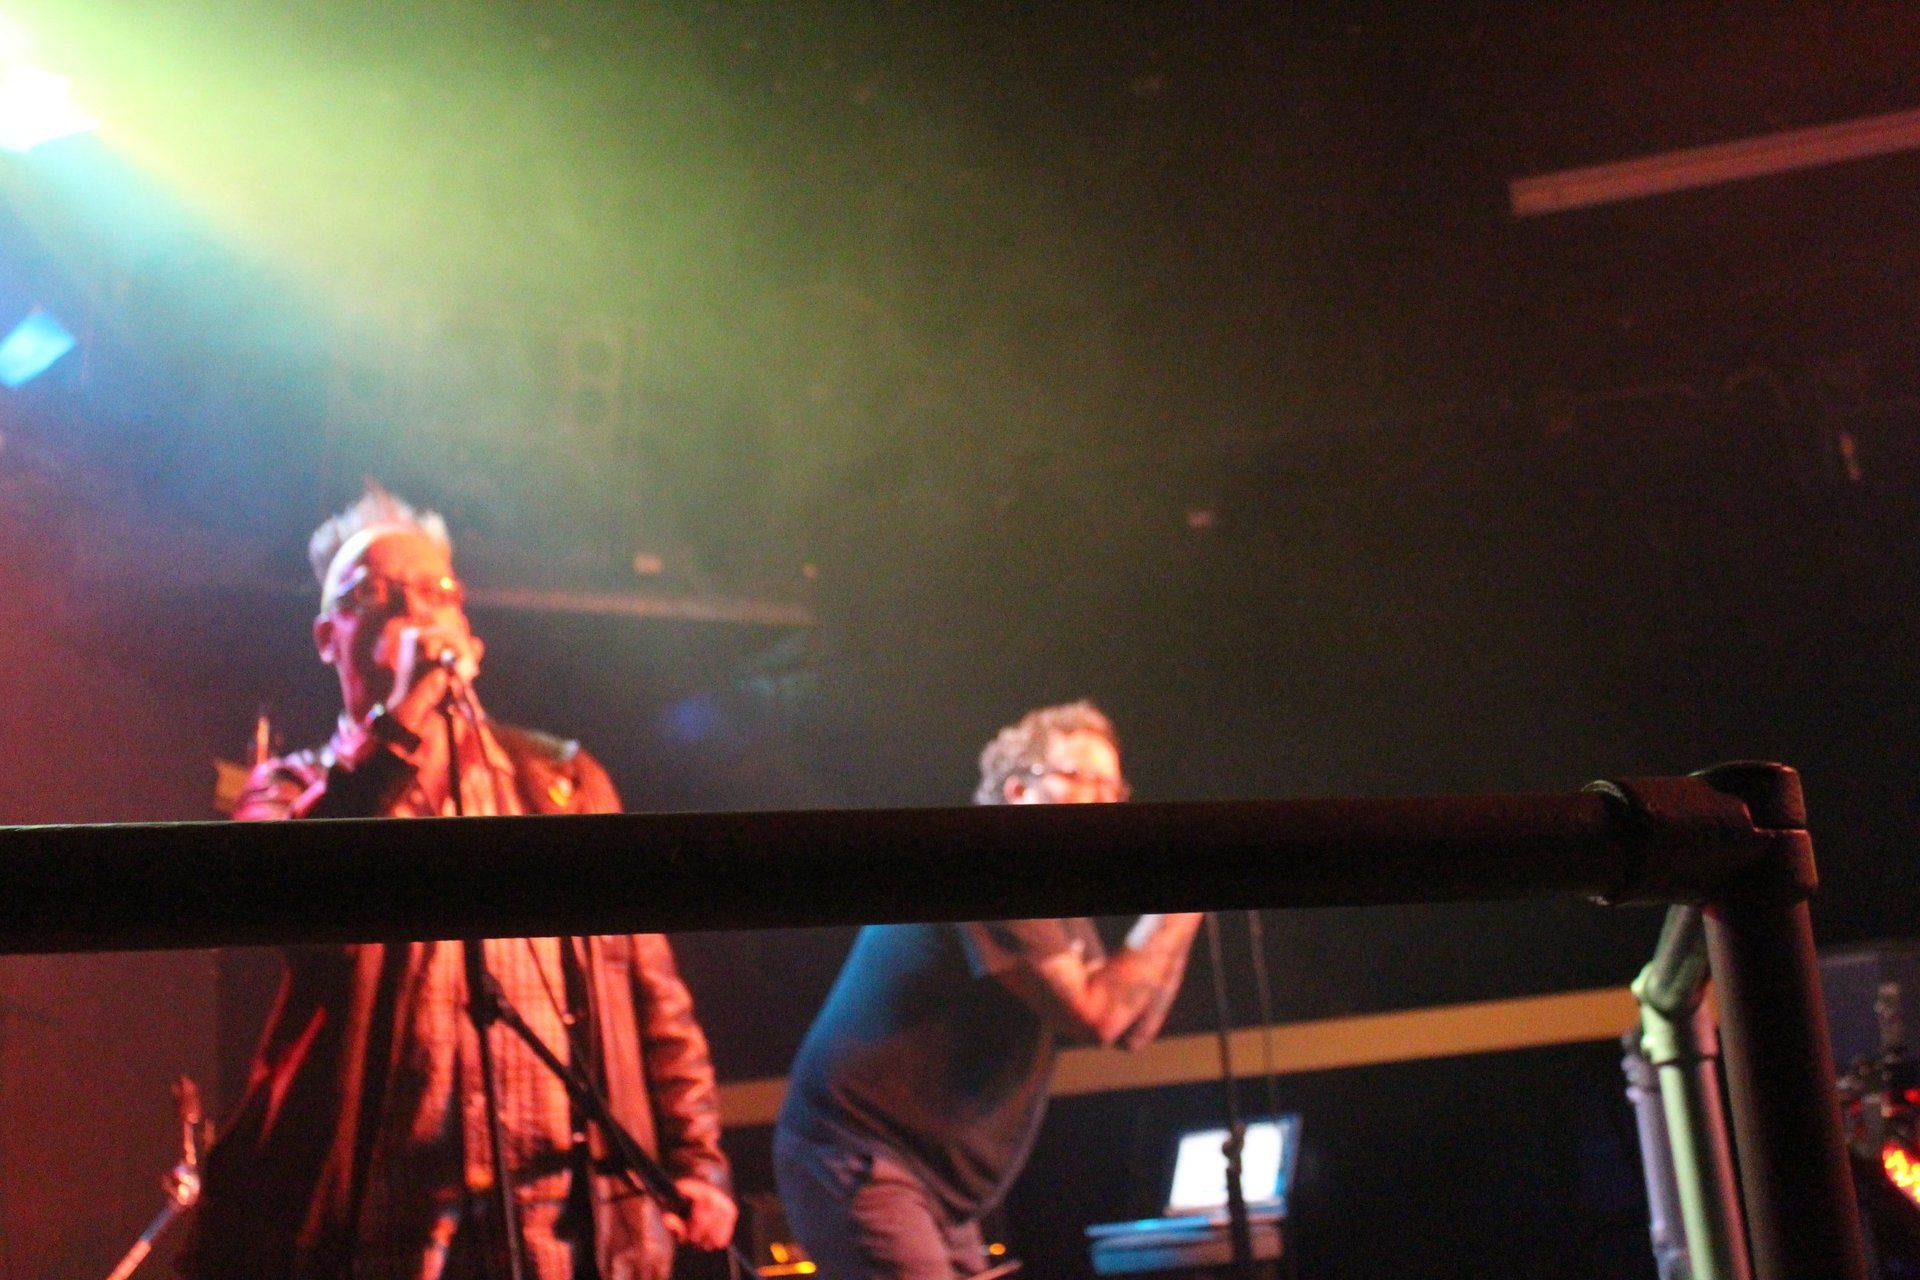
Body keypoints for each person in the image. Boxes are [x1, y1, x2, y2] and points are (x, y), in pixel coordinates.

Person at [179, 485, 736, 1280]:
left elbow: (653, 991)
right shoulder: (288, 791)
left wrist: (697, 1160)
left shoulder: (561, 781)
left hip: (566, 1214)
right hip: (387, 1221)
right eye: (373, 594)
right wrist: (398, 733)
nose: (412, 609)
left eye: (434, 593)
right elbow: (311, 923)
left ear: (467, 632)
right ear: (326, 636)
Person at [773, 701, 1203, 1280]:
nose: (1104, 801)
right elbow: (1096, 1015)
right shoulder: (990, 865)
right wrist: (1182, 897)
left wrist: (1186, 907)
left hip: (926, 1182)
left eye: (1112, 784)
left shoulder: (1055, 904)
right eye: (1081, 779)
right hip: (859, 1157)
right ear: (1020, 792)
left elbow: (1132, 1024)